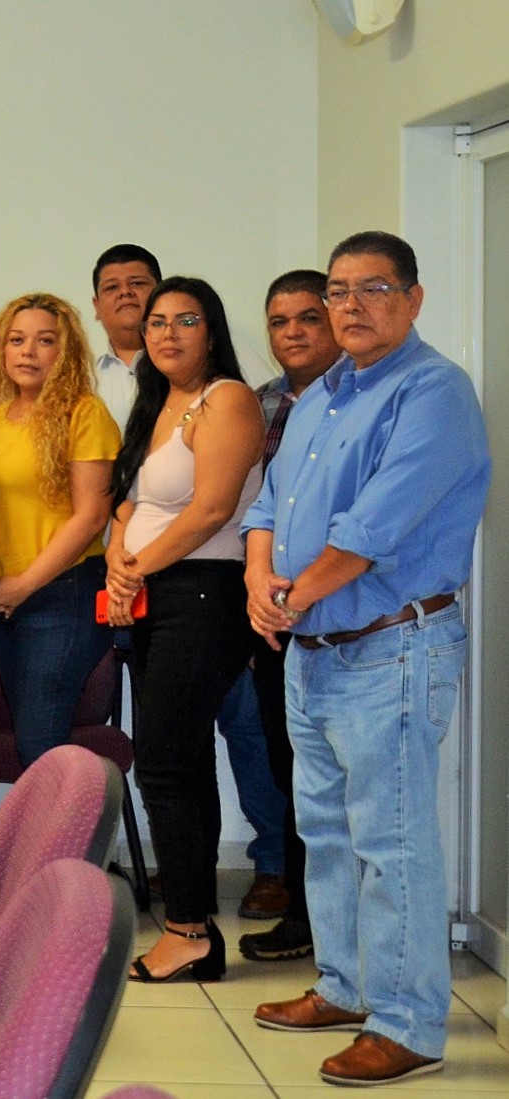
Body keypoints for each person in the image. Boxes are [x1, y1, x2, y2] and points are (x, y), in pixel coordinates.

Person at [246, 232, 488, 1086]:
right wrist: (257, 577)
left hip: (393, 647)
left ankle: (409, 1023)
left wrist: (292, 596)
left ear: (413, 299)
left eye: (373, 288)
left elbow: (373, 528)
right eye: (339, 290)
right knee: (326, 832)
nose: (351, 306)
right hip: (314, 652)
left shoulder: (435, 392)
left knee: (392, 840)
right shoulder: (321, 395)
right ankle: (346, 987)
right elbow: (268, 504)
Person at [91, 245, 283, 917]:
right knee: (183, 760)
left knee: (166, 763)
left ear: (212, 331)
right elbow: (128, 501)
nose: (168, 333)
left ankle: (187, 929)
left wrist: (135, 567)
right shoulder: (157, 403)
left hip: (204, 594)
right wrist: (118, 561)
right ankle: (194, 922)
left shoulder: (227, 399)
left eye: (186, 320)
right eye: (157, 322)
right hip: (155, 597)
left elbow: (212, 510)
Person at [0, 293, 118, 768]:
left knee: (39, 743)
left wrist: (24, 585)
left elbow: (92, 516)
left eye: (44, 341)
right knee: (33, 742)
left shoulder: (84, 413)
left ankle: (65, 822)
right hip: (1, 601)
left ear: (65, 352)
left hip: (61, 596)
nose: (27, 351)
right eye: (16, 340)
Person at [234, 269, 340, 966]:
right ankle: (304, 914)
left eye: (308, 317)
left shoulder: (356, 400)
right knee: (290, 764)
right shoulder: (261, 403)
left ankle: (329, 925)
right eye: (279, 321)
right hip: (270, 613)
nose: (293, 331)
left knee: (335, 785)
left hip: (343, 613)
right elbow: (260, 507)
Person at [89, 244, 162, 428]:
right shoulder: (79, 374)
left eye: (137, 283)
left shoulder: (188, 365)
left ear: (162, 295)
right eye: (112, 287)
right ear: (97, 306)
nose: (125, 292)